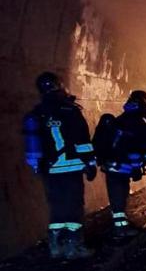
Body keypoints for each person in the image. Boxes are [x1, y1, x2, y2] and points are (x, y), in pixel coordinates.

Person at [22, 72, 96, 259]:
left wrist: (38, 167)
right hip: (71, 167)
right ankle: (74, 246)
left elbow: (34, 145)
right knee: (74, 206)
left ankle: (55, 245)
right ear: (59, 86)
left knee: (57, 206)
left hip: (49, 169)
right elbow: (82, 141)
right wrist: (90, 163)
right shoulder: (70, 110)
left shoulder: (37, 114)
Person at [93, 90, 146, 238]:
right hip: (121, 168)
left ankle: (121, 225)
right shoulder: (137, 123)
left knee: (119, 198)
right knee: (119, 199)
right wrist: (138, 167)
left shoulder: (122, 119)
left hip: (112, 166)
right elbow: (135, 150)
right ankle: (120, 230)